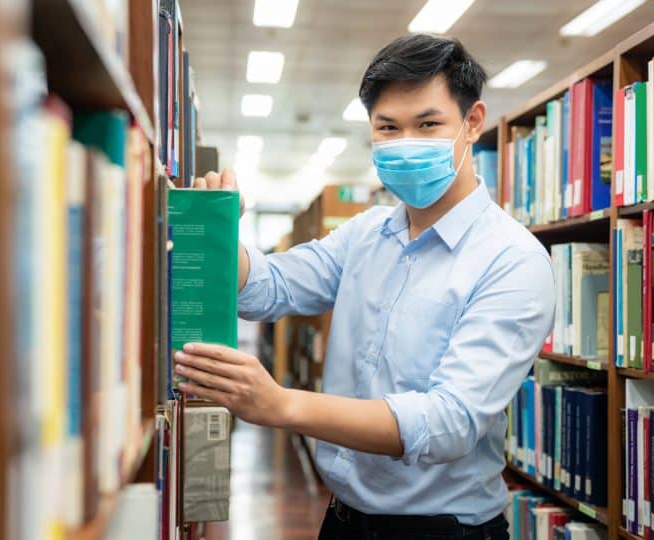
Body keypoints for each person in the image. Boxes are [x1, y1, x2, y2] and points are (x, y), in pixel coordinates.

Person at [175, 34, 554, 540]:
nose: (404, 144)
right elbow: (271, 287)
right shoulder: (366, 233)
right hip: (342, 521)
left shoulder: (513, 260)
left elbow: (449, 422)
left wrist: (283, 404)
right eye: (387, 128)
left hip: (443, 533)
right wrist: (220, 238)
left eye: (427, 125)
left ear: (472, 122)